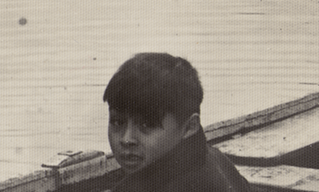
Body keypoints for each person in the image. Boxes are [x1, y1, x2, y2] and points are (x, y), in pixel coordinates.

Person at [103, 53, 250, 192]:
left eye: (147, 125)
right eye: (117, 122)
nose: (126, 139)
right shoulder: (211, 156)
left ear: (190, 127)